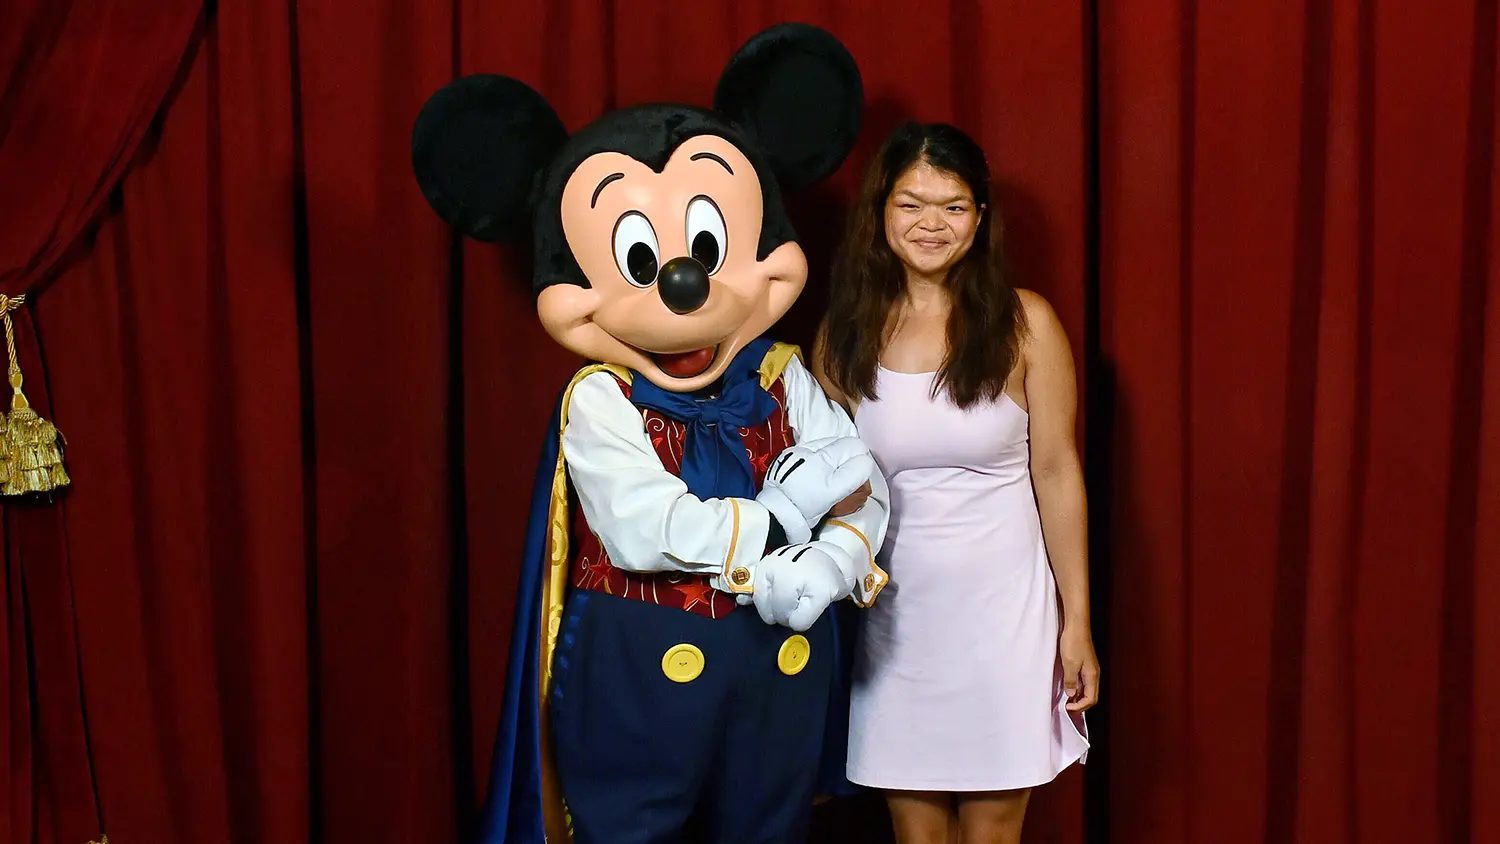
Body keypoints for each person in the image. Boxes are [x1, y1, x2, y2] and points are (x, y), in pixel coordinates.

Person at [411, 24, 891, 844]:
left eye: (704, 247)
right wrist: (777, 519)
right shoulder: (602, 400)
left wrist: (835, 557)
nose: (684, 279)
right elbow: (644, 527)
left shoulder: (782, 373)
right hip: (642, 672)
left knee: (770, 825)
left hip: (777, 669)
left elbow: (859, 482)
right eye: (645, 256)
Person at [815, 122, 1096, 843]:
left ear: (980, 217)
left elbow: (1059, 474)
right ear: (881, 213)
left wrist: (1078, 623)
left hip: (1006, 622)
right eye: (911, 204)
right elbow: (820, 481)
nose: (931, 224)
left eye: (953, 206)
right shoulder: (844, 334)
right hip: (896, 625)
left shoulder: (1025, 324)